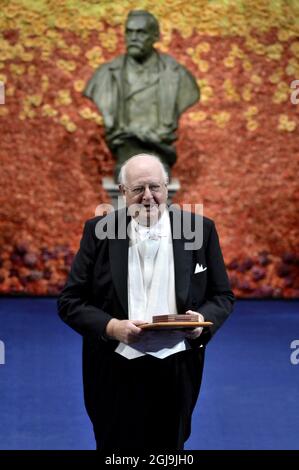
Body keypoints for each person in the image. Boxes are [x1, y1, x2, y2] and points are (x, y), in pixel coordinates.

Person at [57, 154, 234, 450]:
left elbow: (222, 296)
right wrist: (113, 327)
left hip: (178, 367)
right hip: (113, 365)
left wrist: (199, 325)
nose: (148, 197)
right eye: (138, 189)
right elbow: (70, 301)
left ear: (167, 188)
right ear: (123, 192)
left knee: (170, 449)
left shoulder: (201, 230)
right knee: (114, 448)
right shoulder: (98, 231)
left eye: (155, 187)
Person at [83, 10, 200, 179]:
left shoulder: (178, 76)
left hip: (159, 159)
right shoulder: (105, 75)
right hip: (124, 157)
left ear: (155, 37)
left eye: (141, 32)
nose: (133, 37)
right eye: (129, 32)